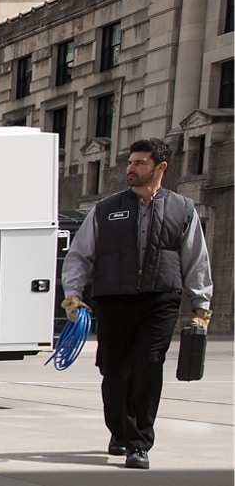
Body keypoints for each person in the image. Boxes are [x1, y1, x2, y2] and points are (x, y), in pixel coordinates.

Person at [60, 138, 213, 470]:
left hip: (160, 299)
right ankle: (119, 430)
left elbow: (196, 260)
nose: (130, 168)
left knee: (148, 365)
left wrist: (201, 307)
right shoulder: (106, 208)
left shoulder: (182, 209)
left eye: (139, 163)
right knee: (114, 371)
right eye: (129, 162)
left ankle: (138, 443)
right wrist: (73, 296)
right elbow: (79, 255)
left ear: (160, 167)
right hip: (114, 299)